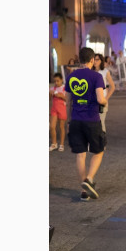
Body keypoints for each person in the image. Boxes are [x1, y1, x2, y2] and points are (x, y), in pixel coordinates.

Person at [65, 47, 108, 201]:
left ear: (79, 60)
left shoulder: (71, 76)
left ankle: (83, 191)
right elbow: (100, 99)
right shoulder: (96, 76)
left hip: (76, 119)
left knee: (80, 155)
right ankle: (89, 179)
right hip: (92, 119)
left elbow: (68, 100)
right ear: (91, 60)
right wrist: (106, 100)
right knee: (99, 150)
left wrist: (69, 120)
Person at [93, 53, 115, 132]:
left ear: (101, 61)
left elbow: (112, 86)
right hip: (92, 101)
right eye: (94, 59)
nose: (95, 61)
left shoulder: (105, 71)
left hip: (102, 100)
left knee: (101, 123)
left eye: (97, 59)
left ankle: (102, 143)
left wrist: (106, 99)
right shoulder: (91, 71)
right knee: (92, 123)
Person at [49, 72, 67, 152]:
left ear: (62, 80)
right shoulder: (52, 88)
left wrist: (60, 95)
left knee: (61, 127)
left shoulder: (65, 88)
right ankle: (54, 143)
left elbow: (67, 99)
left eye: (58, 81)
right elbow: (49, 99)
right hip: (54, 109)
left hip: (62, 109)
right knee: (52, 126)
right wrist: (50, 94)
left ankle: (62, 144)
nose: (56, 83)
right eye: (55, 81)